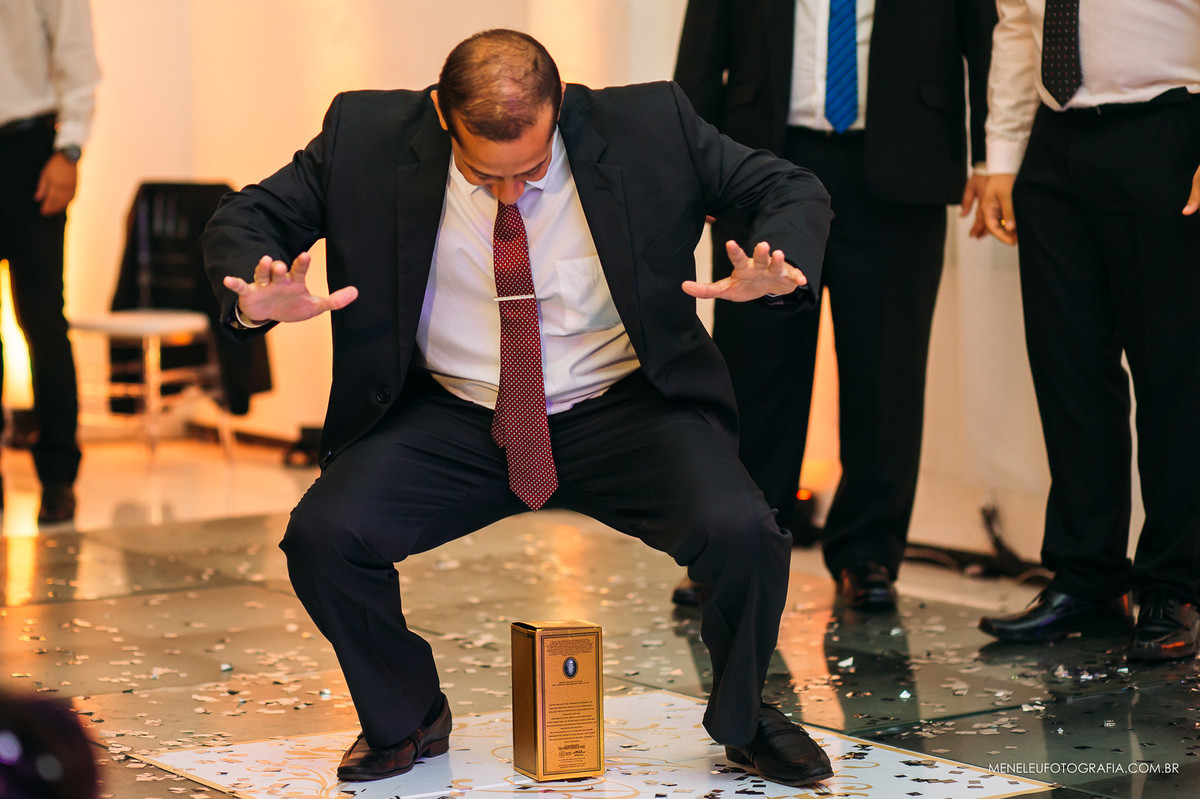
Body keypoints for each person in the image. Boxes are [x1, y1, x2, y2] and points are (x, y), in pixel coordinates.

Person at [203, 29, 837, 787]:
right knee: (324, 536)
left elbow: (789, 187)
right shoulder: (364, 135)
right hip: (454, 412)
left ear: (558, 105)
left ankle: (745, 719)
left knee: (744, 533)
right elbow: (244, 218)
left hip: (623, 407)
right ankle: (407, 712)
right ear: (442, 115)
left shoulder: (650, 126)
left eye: (531, 170)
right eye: (483, 173)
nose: (509, 193)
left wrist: (781, 257)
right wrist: (254, 293)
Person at [672, 0, 996, 609]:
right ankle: (739, 547)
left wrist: (990, 154)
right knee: (753, 368)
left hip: (902, 163)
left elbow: (985, 35)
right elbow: (702, 46)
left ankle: (868, 552)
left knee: (887, 372)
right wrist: (689, 162)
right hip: (762, 161)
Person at [977, 1, 1200, 660]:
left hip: (1166, 127)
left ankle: (1175, 586)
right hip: (1054, 140)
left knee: (1173, 372)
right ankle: (1087, 577)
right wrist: (1002, 155)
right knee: (1067, 365)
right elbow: (1017, 21)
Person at [0, 0, 99, 524]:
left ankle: (59, 477)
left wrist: (70, 148)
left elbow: (76, 56)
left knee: (41, 320)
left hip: (28, 148)